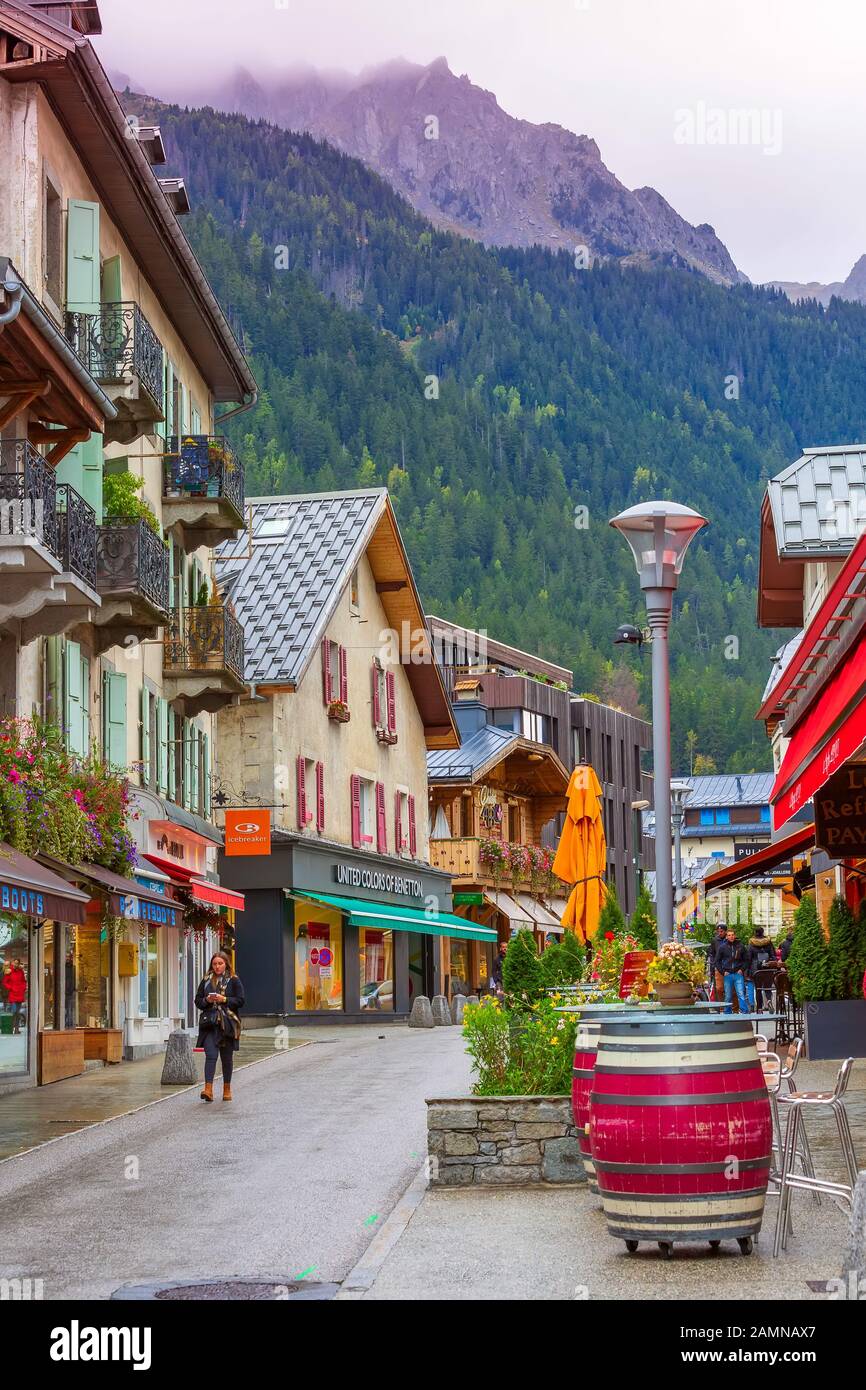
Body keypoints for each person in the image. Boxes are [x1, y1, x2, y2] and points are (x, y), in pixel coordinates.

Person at [195, 950, 244, 1102]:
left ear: (226, 964)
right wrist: (207, 1001)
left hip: (228, 1024)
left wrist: (224, 999)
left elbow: (241, 1000)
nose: (217, 967)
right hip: (210, 1024)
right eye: (215, 964)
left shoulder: (234, 980)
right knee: (211, 1055)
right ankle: (208, 1089)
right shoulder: (206, 980)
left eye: (220, 963)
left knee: (226, 1058)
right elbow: (198, 1000)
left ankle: (227, 1089)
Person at [715, 928, 750, 1015]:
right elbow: (717, 961)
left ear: (735, 936)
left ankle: (744, 1011)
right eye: (729, 935)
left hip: (738, 973)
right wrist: (723, 972)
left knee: (741, 993)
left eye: (732, 935)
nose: (731, 937)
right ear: (726, 937)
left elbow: (747, 960)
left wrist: (742, 970)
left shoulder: (740, 946)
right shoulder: (722, 947)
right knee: (728, 995)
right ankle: (727, 1012)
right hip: (728, 974)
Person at [746, 927, 775, 1010]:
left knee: (758, 989)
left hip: (756, 969)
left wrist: (748, 970)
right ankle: (769, 1000)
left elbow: (749, 958)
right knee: (767, 988)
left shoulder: (751, 943)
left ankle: (759, 1008)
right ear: (763, 932)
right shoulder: (768, 942)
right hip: (767, 967)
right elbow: (773, 955)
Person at [2, 958, 27, 1034]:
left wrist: (23, 988)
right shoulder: (9, 971)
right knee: (14, 1011)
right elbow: (4, 982)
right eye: (14, 963)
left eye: (17, 963)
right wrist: (11, 988)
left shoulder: (21, 971)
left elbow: (23, 981)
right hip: (13, 994)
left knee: (18, 1012)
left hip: (20, 994)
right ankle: (11, 1028)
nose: (16, 964)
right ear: (13, 963)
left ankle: (16, 1029)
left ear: (19, 964)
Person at [706, 925, 727, 999]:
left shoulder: (729, 939)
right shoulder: (715, 940)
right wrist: (714, 963)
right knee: (719, 988)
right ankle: (721, 1006)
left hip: (729, 966)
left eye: (721, 931)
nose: (720, 933)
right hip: (718, 966)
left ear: (725, 931)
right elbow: (711, 953)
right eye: (718, 932)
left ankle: (732, 1007)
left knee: (730, 988)